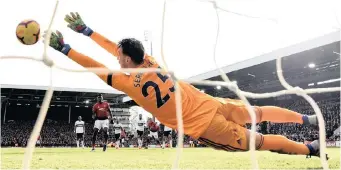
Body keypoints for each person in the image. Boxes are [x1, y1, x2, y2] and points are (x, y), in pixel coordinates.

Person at [44, 12, 325, 158]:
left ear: (128, 59)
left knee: (260, 142)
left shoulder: (125, 81)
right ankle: (307, 118)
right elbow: (111, 49)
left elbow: (94, 64)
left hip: (205, 125)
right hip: (212, 103)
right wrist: (87, 31)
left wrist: (65, 48)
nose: (116, 58)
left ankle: (310, 150)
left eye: (120, 56)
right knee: (259, 112)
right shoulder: (150, 62)